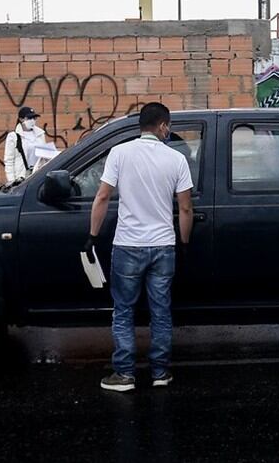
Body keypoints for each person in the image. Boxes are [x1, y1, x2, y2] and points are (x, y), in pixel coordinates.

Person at [86, 102, 194, 392]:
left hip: (128, 245)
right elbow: (185, 209)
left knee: (123, 311)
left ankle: (124, 374)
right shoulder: (176, 159)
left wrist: (93, 236)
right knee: (161, 311)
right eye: (167, 126)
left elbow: (102, 197)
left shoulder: (120, 153)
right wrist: (183, 243)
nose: (168, 130)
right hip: (163, 246)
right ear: (161, 126)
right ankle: (160, 372)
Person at [3, 106, 47, 183]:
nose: (32, 121)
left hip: (39, 176)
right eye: (29, 118)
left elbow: (44, 156)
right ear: (21, 119)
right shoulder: (13, 136)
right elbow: (9, 161)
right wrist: (12, 181)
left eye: (34, 118)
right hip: (22, 177)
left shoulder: (40, 134)